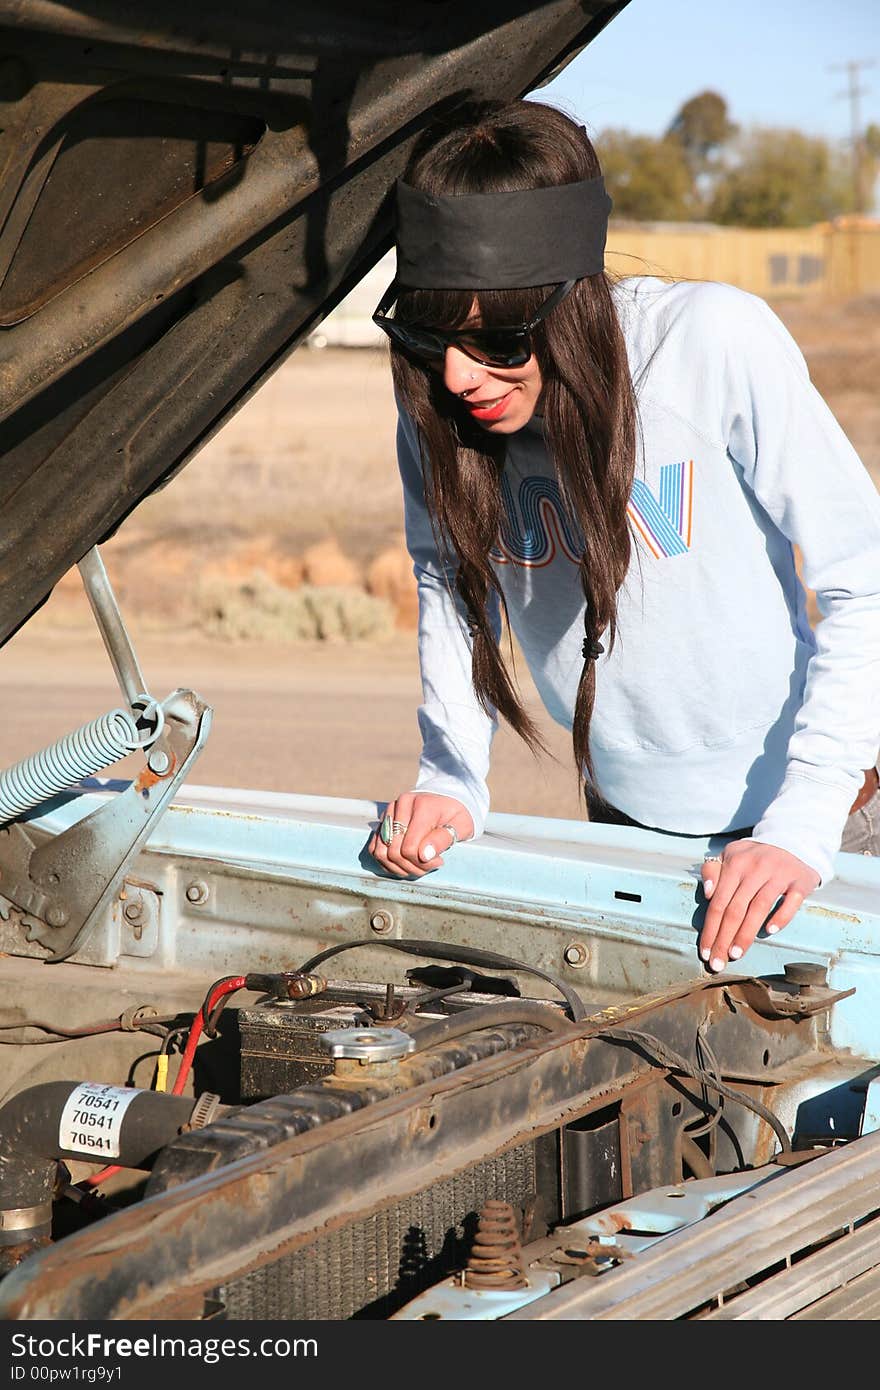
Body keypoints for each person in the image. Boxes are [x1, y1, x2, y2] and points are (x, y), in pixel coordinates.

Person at [366, 99, 880, 972]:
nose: (457, 376)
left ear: (570, 299)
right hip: (626, 821)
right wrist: (452, 778)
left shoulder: (709, 340)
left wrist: (801, 827)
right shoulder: (439, 401)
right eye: (428, 335)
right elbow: (448, 578)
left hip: (818, 818)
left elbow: (862, 576)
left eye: (496, 337)